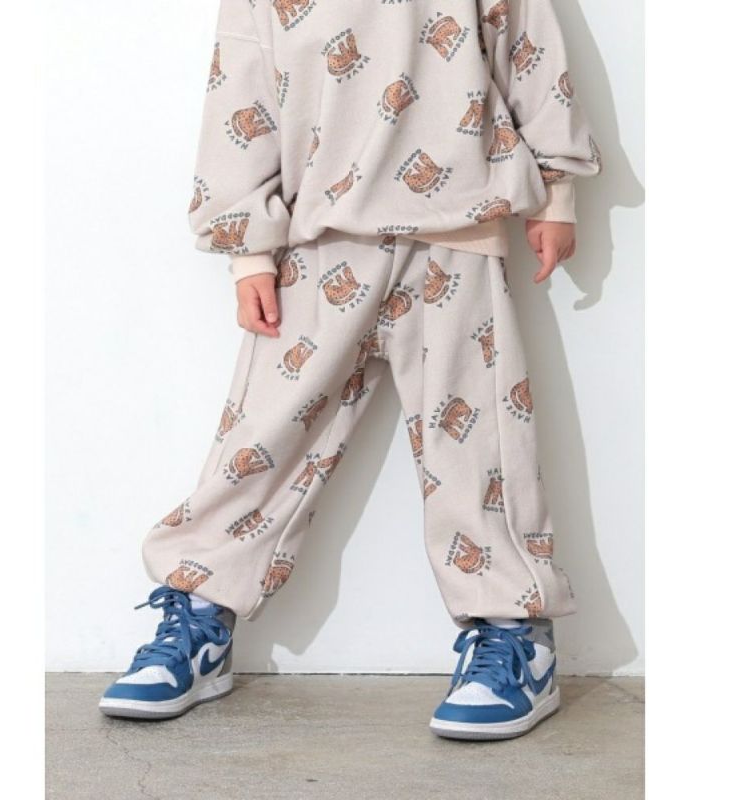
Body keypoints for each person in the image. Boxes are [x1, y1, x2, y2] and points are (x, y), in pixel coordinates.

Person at [99, 0, 601, 741]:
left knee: (482, 446)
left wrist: (557, 190)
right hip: (320, 233)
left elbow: (527, 40)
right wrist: (249, 250)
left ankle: (515, 634)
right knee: (263, 438)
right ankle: (201, 617)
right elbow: (241, 82)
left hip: (457, 226)